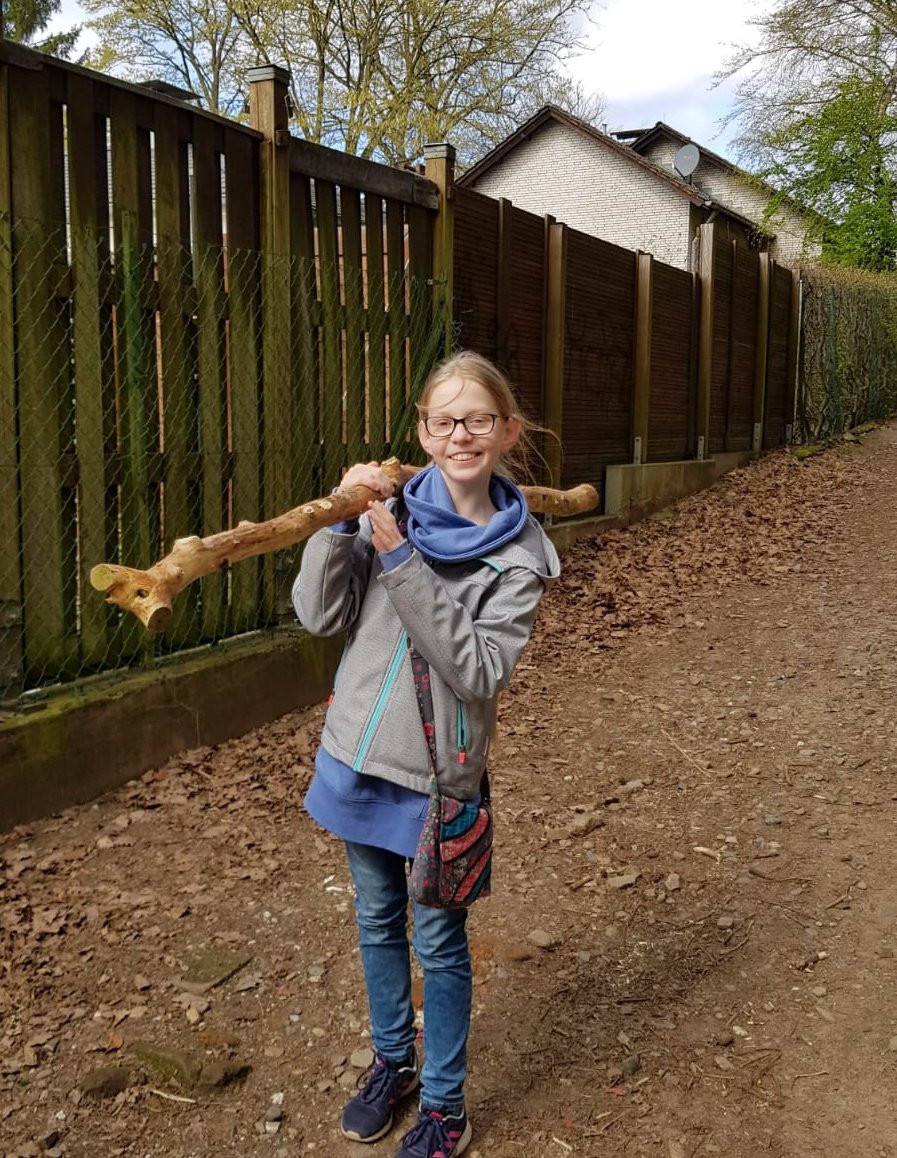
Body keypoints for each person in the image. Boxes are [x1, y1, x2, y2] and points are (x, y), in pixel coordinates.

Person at [292, 350, 560, 1158]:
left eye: (478, 419)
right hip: (355, 759)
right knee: (376, 920)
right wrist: (341, 526)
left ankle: (445, 1105)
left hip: (438, 780)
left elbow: (479, 668)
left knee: (438, 943)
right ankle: (393, 1064)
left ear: (506, 431)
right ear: (422, 432)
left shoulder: (517, 558)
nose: (460, 434)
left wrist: (402, 560)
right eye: (443, 421)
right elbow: (315, 614)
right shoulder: (385, 508)